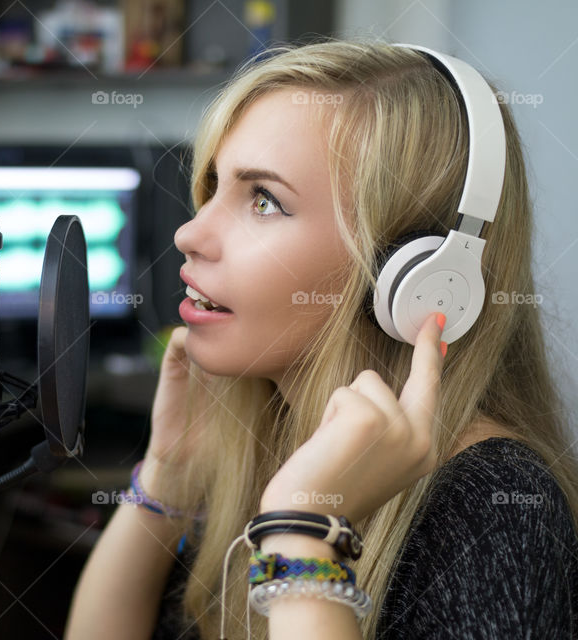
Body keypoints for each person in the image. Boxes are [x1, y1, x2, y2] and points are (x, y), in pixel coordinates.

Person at [65, 38, 578, 639]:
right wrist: (165, 482)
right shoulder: (262, 443)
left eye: (264, 200)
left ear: (417, 277)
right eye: (214, 184)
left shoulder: (497, 504)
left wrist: (304, 534)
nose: (190, 233)